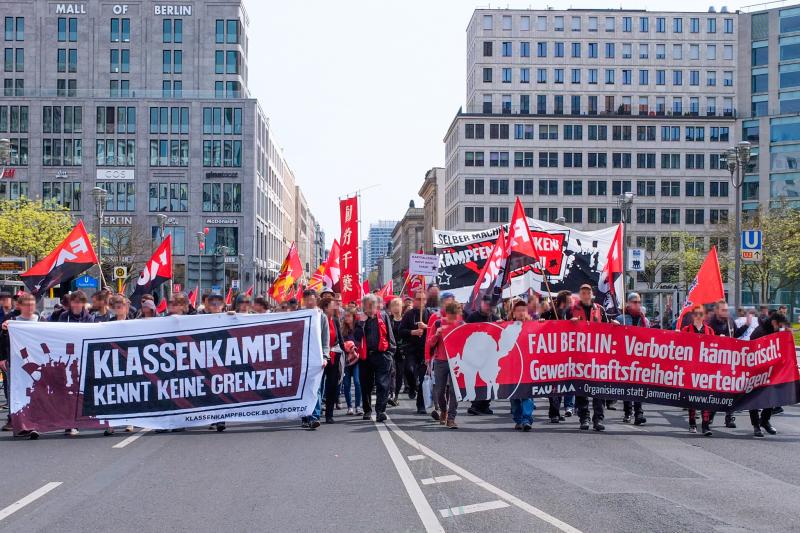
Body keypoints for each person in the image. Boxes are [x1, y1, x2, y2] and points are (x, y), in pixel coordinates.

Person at [568, 284, 612, 431]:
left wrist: (615, 325)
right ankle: (584, 418)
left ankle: (598, 419)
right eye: (583, 293)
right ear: (580, 295)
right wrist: (570, 323)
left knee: (598, 389)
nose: (586, 295)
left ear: (592, 294)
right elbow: (561, 329)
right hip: (580, 356)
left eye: (588, 292)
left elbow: (608, 329)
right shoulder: (572, 310)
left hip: (598, 356)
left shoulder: (600, 309)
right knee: (581, 390)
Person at [1, 292, 40, 437]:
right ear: (20, 306)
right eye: (27, 304)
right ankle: (18, 422)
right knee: (16, 391)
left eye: (32, 304)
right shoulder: (12, 321)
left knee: (35, 391)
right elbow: (3, 341)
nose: (30, 307)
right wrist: (3, 357)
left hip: (36, 361)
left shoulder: (41, 320)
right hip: (16, 362)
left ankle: (33, 423)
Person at [354, 294, 396, 422]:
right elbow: (356, 336)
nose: (370, 309)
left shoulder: (383, 316)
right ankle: (367, 410)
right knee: (366, 385)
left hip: (382, 355)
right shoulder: (359, 319)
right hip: (365, 356)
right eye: (367, 307)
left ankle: (380, 411)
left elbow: (390, 334)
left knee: (383, 384)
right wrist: (361, 322)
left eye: (372, 306)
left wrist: (391, 352)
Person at [748, 311, 789, 437]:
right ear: (773, 322)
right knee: (754, 398)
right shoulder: (759, 332)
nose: (780, 328)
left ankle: (765, 421)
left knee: (773, 395)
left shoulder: (774, 332)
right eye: (780, 325)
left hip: (770, 371)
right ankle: (756, 425)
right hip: (757, 371)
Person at [705, 300, 745, 428]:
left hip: (729, 362)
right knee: (716, 391)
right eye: (723, 310)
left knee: (730, 391)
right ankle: (710, 415)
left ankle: (729, 417)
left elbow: (736, 334)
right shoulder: (710, 324)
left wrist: (747, 326)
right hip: (715, 363)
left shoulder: (730, 321)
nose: (726, 312)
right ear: (716, 310)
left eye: (726, 310)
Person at [426, 301, 463, 429]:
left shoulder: (461, 324)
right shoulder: (438, 323)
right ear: (446, 313)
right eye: (451, 316)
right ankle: (444, 410)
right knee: (440, 390)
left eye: (456, 316)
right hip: (440, 360)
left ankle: (451, 418)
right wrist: (437, 334)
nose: (453, 319)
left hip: (456, 361)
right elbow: (430, 343)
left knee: (454, 391)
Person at [681, 305, 716, 436]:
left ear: (704, 315)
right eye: (696, 314)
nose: (698, 316)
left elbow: (715, 348)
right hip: (691, 368)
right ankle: (692, 423)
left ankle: (706, 425)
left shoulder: (710, 331)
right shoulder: (686, 329)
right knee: (692, 397)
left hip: (705, 369)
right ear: (692, 315)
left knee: (705, 397)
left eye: (701, 314)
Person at [540, 290, 574, 422]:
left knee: (563, 385)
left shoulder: (572, 314)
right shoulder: (549, 313)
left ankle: (558, 410)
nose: (571, 302)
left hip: (567, 355)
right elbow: (540, 329)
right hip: (551, 354)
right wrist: (542, 322)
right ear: (563, 301)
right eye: (569, 300)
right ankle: (554, 412)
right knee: (553, 385)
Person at [465, 295, 500, 416]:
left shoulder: (495, 318)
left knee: (489, 380)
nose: (487, 307)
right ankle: (475, 405)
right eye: (486, 304)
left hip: (490, 355)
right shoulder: (473, 317)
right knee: (478, 380)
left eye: (489, 305)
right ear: (481, 304)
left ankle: (485, 405)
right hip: (475, 354)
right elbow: (465, 332)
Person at [300, 289, 330, 429]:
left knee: (316, 388)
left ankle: (314, 416)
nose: (309, 302)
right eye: (306, 300)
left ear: (316, 300)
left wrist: (325, 356)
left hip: (316, 358)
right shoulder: (299, 315)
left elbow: (325, 340)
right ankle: (305, 416)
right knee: (303, 388)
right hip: (301, 359)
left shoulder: (321, 317)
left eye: (311, 299)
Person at [105, 294, 135, 435]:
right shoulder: (109, 323)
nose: (119, 309)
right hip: (113, 361)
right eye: (116, 307)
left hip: (130, 361)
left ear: (126, 307)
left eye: (122, 306)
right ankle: (110, 423)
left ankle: (130, 421)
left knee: (129, 391)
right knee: (113, 392)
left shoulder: (134, 323)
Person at [399, 289, 432, 414]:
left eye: (423, 299)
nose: (421, 301)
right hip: (411, 349)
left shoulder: (430, 314)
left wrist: (426, 328)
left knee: (423, 378)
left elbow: (435, 330)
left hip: (425, 350)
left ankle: (421, 405)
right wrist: (412, 332)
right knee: (409, 370)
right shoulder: (409, 314)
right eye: (418, 299)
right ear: (414, 300)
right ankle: (412, 386)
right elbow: (401, 331)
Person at [620, 293, 648, 425]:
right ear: (629, 304)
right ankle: (627, 411)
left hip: (640, 358)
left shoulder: (645, 321)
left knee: (638, 387)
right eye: (635, 302)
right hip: (625, 358)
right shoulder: (621, 319)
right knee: (627, 387)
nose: (637, 304)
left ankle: (639, 413)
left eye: (639, 302)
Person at [508, 301, 534, 431]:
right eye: (518, 310)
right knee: (515, 397)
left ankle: (526, 419)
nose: (521, 312)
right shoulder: (508, 327)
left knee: (527, 394)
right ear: (513, 313)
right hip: (513, 367)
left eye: (524, 310)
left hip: (528, 367)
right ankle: (518, 419)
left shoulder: (533, 326)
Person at [321, 296, 345, 423]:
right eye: (332, 305)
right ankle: (315, 412)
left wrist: (345, 352)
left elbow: (340, 338)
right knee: (318, 386)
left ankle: (329, 414)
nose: (335, 307)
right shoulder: (318, 319)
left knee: (332, 385)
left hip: (335, 355)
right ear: (325, 307)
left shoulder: (335, 320)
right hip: (321, 356)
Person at [340, 308, 362, 415]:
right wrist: (347, 346)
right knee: (346, 384)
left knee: (358, 382)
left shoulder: (358, 328)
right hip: (346, 361)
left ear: (354, 317)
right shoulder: (342, 330)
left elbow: (361, 341)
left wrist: (355, 347)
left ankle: (358, 406)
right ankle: (349, 407)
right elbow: (340, 343)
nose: (346, 318)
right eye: (345, 316)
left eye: (349, 316)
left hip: (357, 359)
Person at [387, 297, 406, 407]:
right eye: (393, 305)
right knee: (392, 371)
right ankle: (391, 393)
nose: (395, 308)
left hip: (402, 349)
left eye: (397, 305)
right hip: (391, 349)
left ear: (401, 307)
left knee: (400, 373)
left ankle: (396, 395)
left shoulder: (405, 319)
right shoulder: (389, 319)